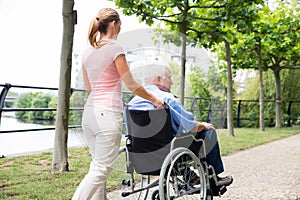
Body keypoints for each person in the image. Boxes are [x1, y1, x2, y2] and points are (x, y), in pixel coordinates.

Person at [72, 8, 164, 200]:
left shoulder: (88, 51)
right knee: (100, 170)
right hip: (107, 114)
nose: (121, 29)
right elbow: (131, 84)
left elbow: (89, 88)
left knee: (98, 170)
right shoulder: (115, 49)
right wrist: (155, 99)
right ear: (114, 24)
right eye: (120, 25)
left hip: (89, 115)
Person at [127, 62, 233, 187]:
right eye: (169, 77)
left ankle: (189, 175)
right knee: (208, 132)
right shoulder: (166, 99)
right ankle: (214, 177)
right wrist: (203, 125)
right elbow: (190, 127)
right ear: (159, 79)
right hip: (168, 152)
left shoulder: (132, 103)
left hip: (141, 154)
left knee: (170, 139)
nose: (171, 82)